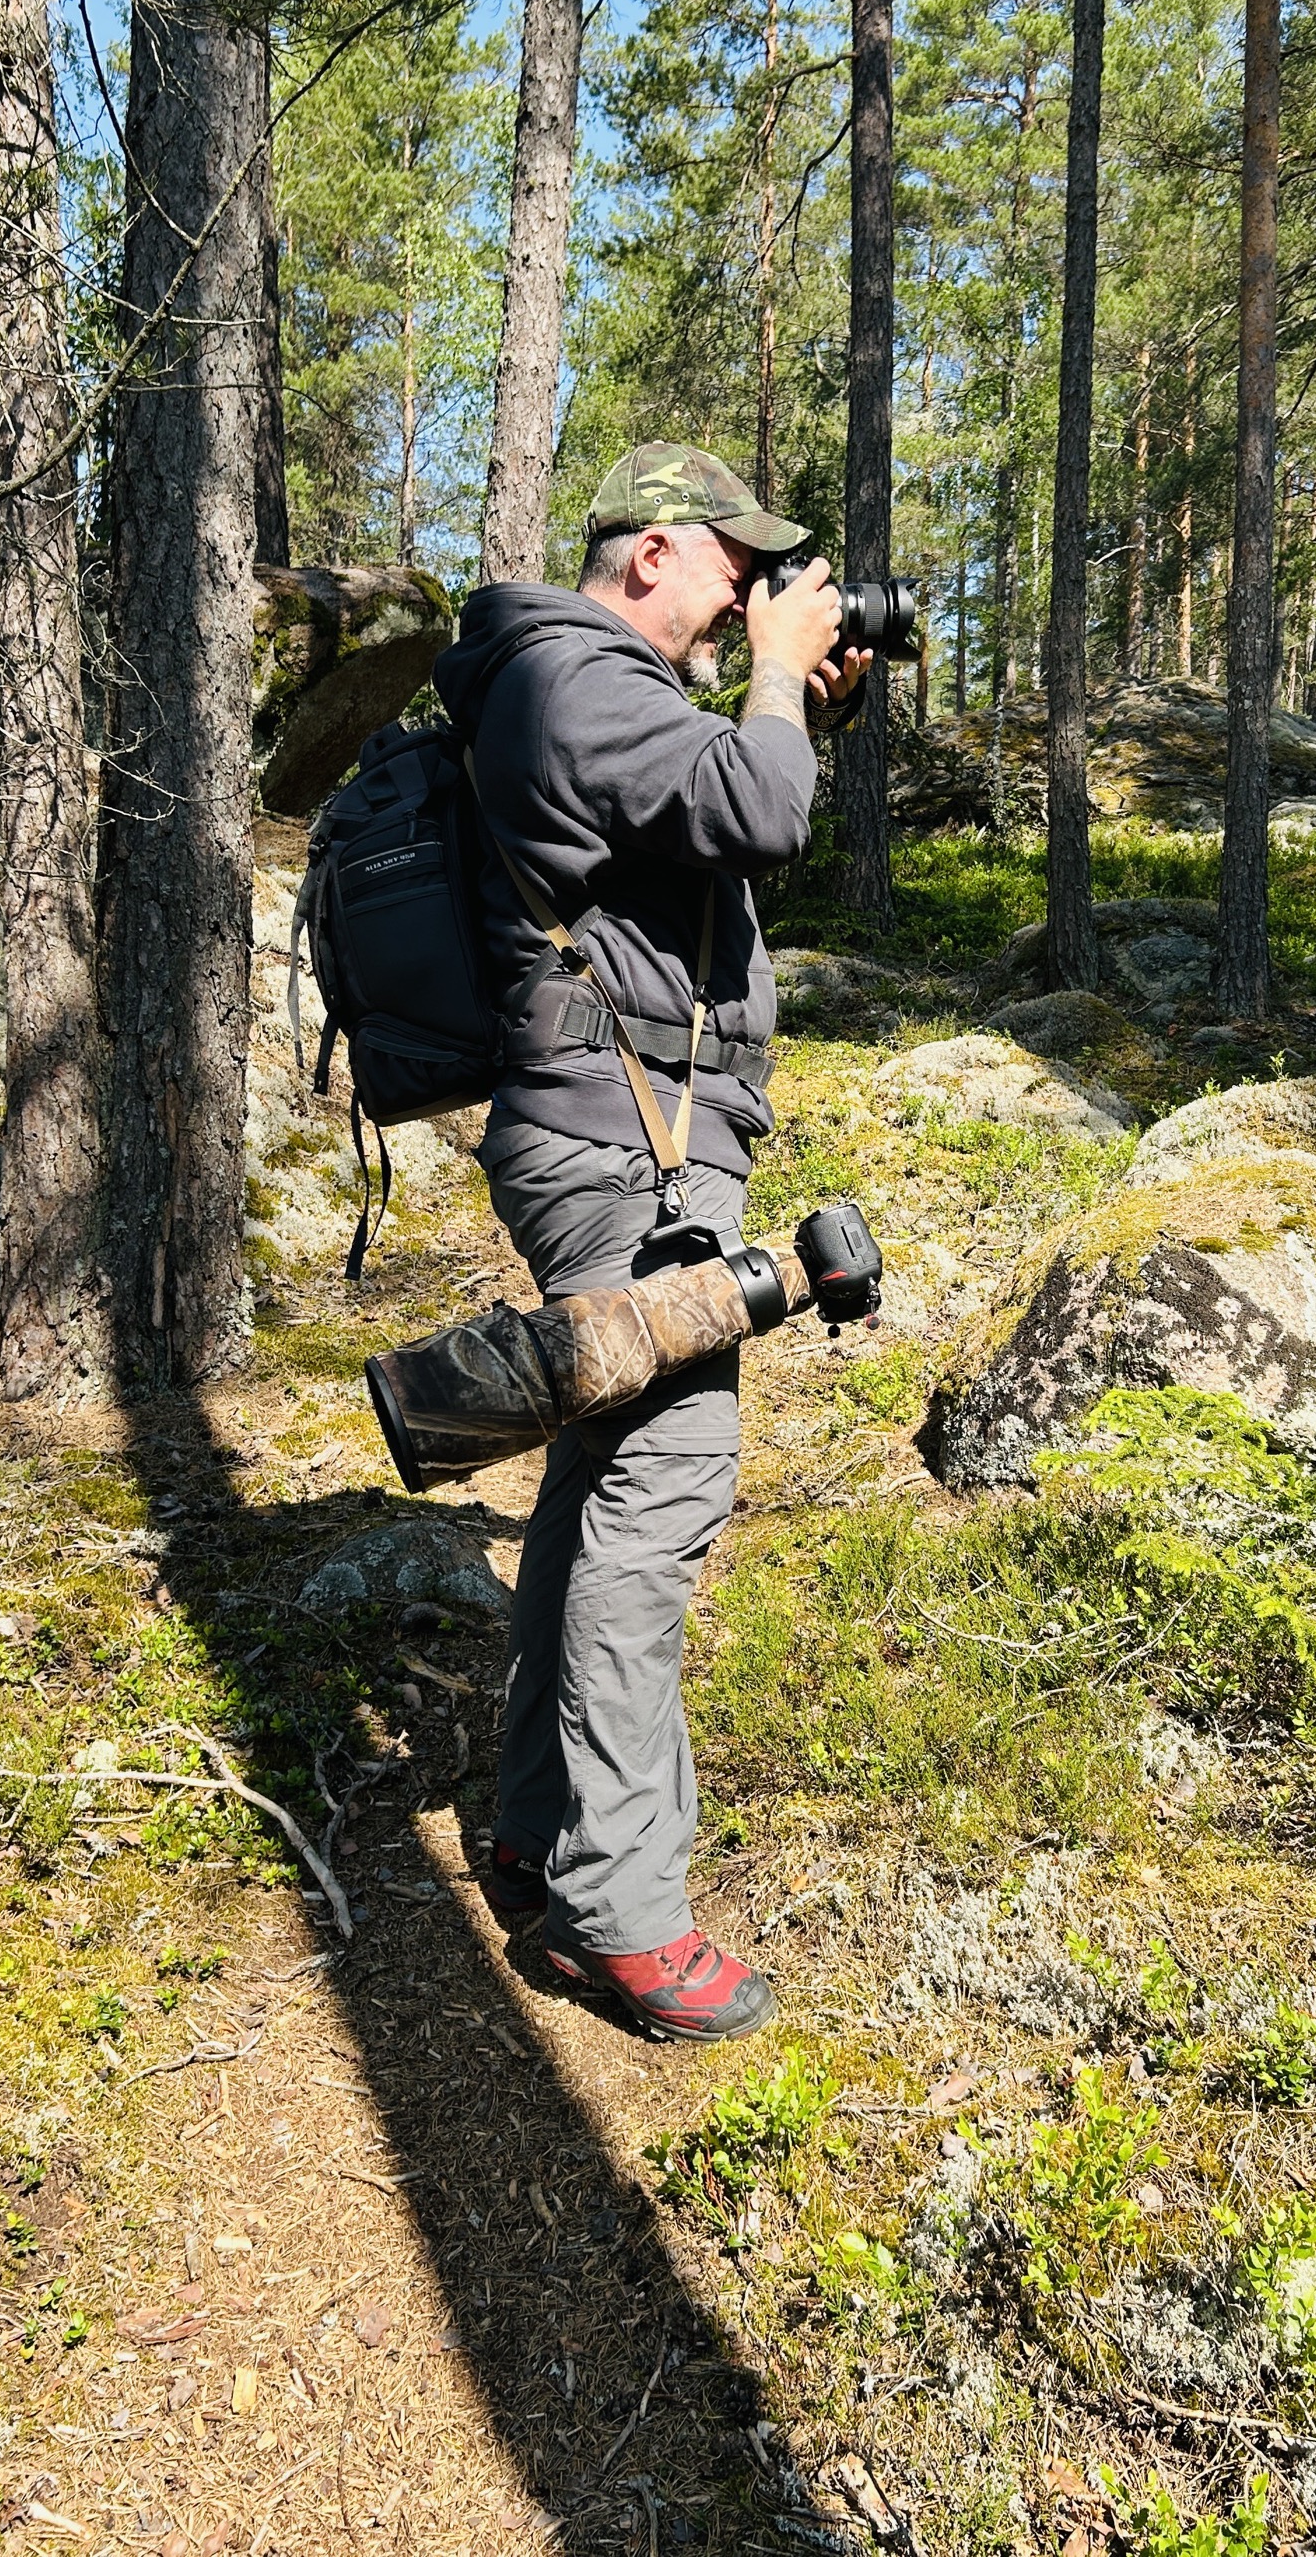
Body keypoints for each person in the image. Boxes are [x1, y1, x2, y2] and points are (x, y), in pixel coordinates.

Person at [438, 444, 867, 2043]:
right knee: (659, 1495)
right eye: (736, 566)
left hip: (636, 1137)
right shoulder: (576, 676)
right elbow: (760, 813)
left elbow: (715, 816)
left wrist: (800, 696)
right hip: (629, 1148)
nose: (754, 591)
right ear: (651, 553)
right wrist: (773, 680)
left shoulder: (587, 684)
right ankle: (620, 1911)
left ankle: (539, 1830)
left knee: (597, 1476)